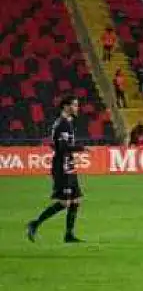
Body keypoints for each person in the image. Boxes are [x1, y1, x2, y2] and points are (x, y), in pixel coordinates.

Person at [26, 96, 85, 243]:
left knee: (76, 200)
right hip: (61, 168)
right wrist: (81, 148)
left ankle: (69, 234)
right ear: (66, 106)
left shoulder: (67, 123)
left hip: (68, 165)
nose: (77, 108)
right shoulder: (62, 124)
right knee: (64, 203)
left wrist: (72, 156)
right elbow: (62, 147)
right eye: (75, 105)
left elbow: (58, 145)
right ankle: (35, 223)